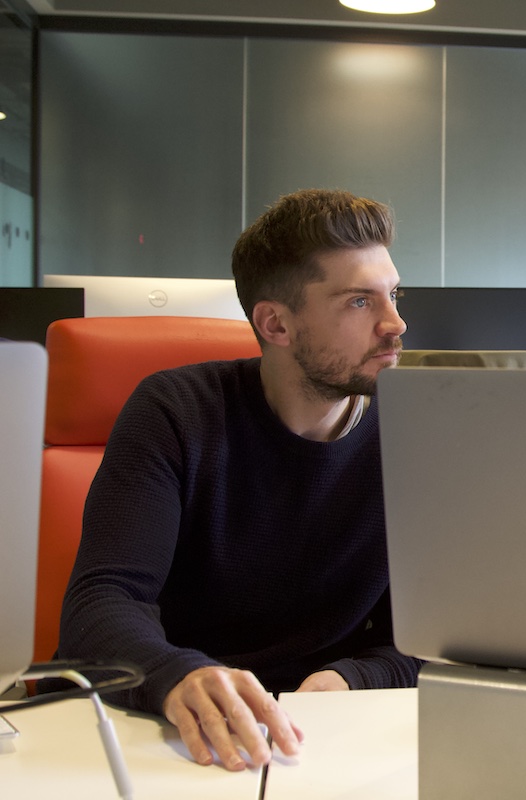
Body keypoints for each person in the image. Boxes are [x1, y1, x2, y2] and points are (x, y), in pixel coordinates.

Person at [52, 189, 422, 770]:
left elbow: (443, 641)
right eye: (358, 302)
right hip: (172, 730)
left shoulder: (419, 433)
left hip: (331, 734)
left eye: (393, 294)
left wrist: (352, 679)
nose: (395, 323)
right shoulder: (174, 411)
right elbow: (102, 601)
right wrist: (177, 675)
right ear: (275, 322)